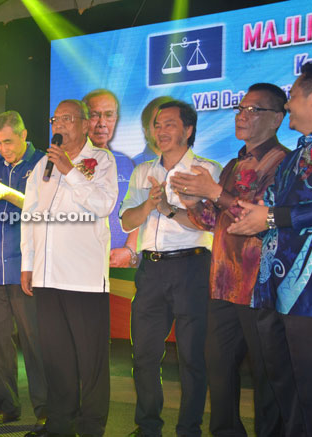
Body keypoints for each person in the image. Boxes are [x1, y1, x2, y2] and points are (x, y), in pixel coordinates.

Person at [170, 83, 288, 436]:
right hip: (223, 284)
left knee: (268, 380)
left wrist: (213, 192)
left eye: (254, 110)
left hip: (260, 288)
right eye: (240, 108)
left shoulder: (282, 161)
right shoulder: (234, 163)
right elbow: (214, 219)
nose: (242, 115)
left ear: (278, 118)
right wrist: (192, 200)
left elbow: (255, 219)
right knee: (219, 372)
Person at [228, 60, 312, 436]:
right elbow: (270, 205)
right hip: (276, 294)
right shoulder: (297, 155)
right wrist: (247, 212)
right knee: (286, 395)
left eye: (292, 95)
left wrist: (271, 217)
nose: (288, 104)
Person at [120, 100, 221, 437]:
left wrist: (167, 207)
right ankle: (148, 427)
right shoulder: (141, 171)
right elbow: (125, 222)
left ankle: (188, 429)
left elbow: (212, 225)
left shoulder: (207, 171)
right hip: (151, 271)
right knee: (144, 355)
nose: (160, 130)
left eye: (169, 124)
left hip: (192, 267)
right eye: (156, 124)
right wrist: (149, 204)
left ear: (188, 130)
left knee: (192, 357)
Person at [21, 99, 118, 436]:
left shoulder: (102, 160)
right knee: (56, 356)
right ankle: (61, 422)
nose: (58, 125)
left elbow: (103, 205)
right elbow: (29, 215)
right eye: (55, 119)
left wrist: (69, 171)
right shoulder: (41, 166)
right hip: (47, 276)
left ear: (84, 123)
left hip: (84, 279)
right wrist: (27, 263)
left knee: (90, 359)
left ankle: (92, 426)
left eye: (66, 118)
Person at [0, 111, 47, 434]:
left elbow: (43, 210)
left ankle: (46, 409)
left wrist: (6, 193)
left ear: (24, 134)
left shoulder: (43, 163)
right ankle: (5, 408)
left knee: (35, 342)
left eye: (8, 141)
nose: (3, 148)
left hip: (28, 267)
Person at [83, 89, 138, 268]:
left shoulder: (126, 162)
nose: (102, 123)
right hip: (82, 265)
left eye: (109, 115)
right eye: (94, 116)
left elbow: (140, 211)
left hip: (121, 265)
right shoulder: (67, 164)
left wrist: (130, 250)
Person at [132, 96, 174, 165]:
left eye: (169, 124)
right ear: (145, 130)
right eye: (157, 125)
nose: (164, 131)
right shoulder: (132, 167)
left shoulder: (191, 165)